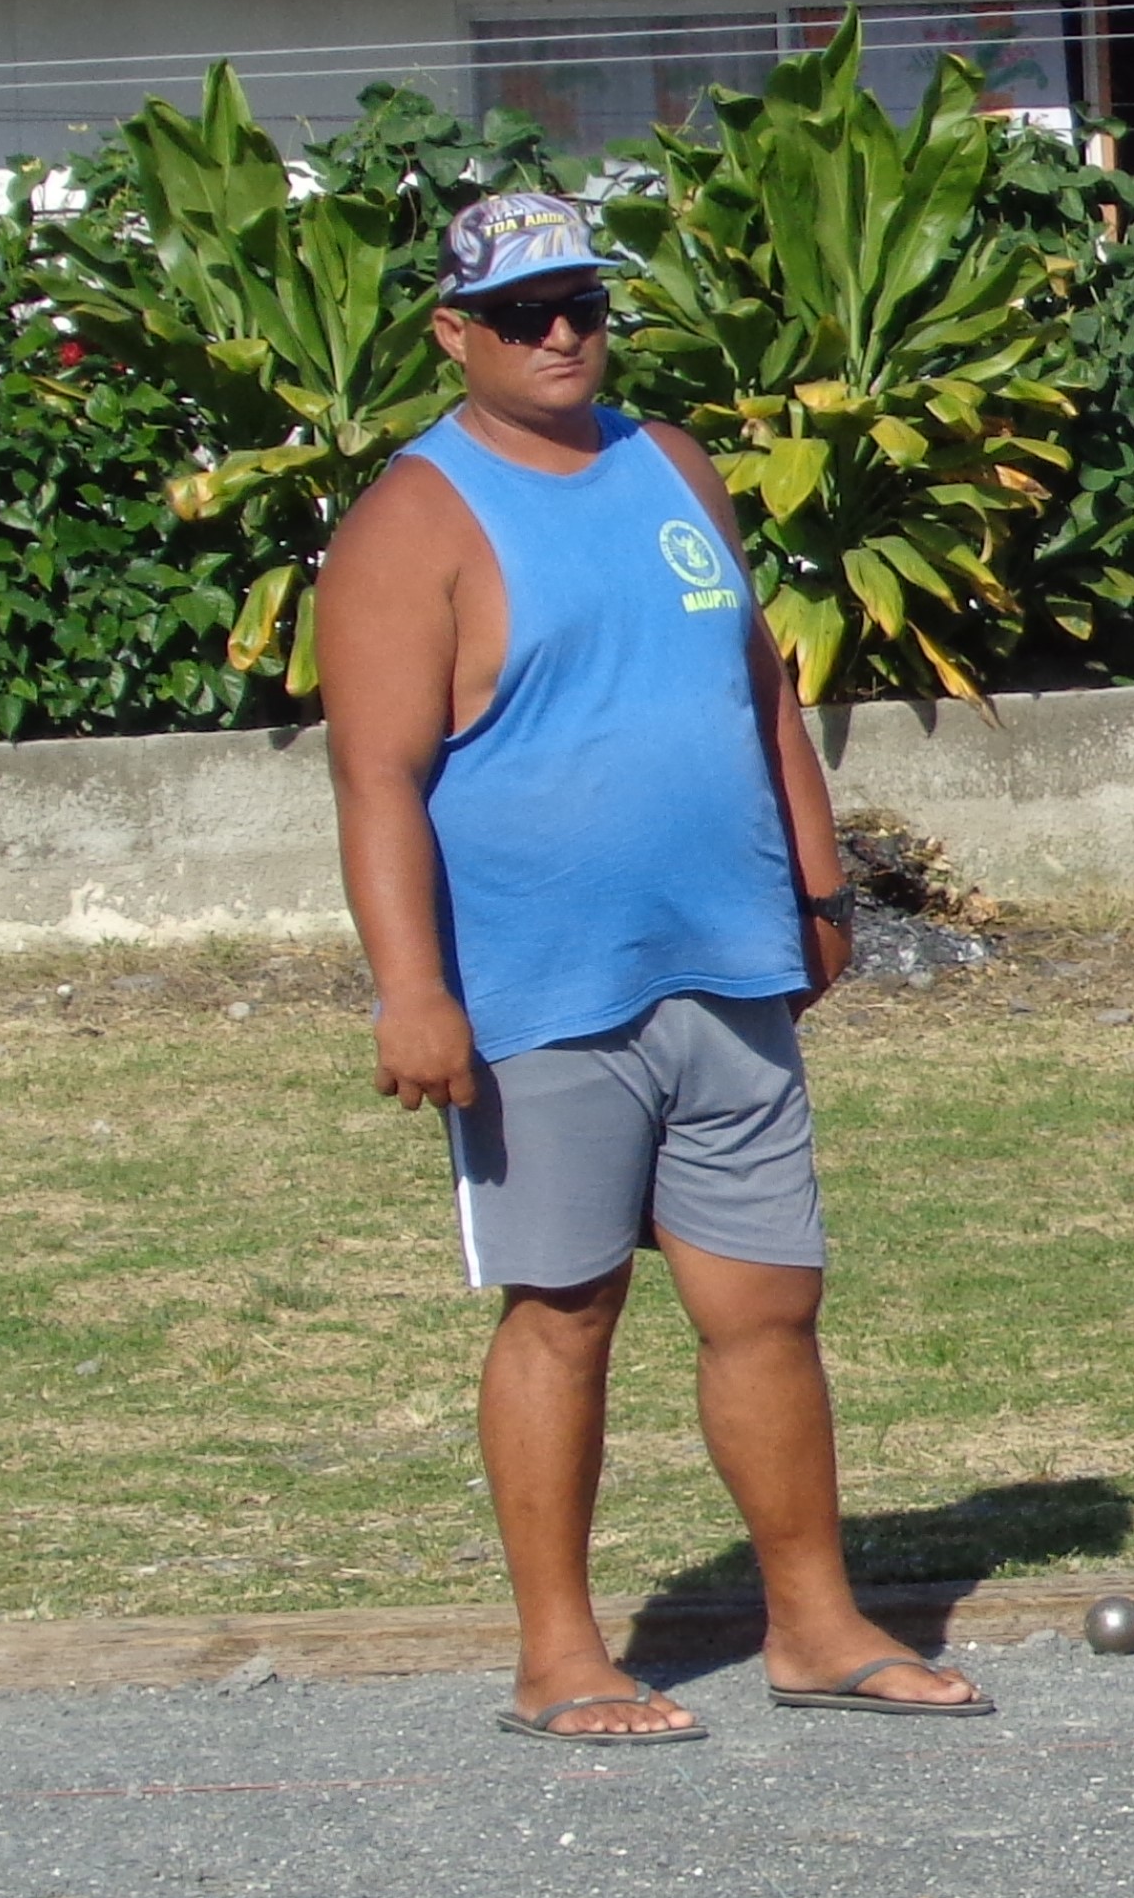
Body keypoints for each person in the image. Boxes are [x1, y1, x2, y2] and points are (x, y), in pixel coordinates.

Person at [321, 191, 981, 1745]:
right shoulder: (411, 520)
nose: (560, 335)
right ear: (453, 331)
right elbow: (374, 780)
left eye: (582, 307)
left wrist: (819, 886)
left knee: (770, 1303)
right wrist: (411, 990)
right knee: (564, 1307)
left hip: (727, 966)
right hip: (541, 991)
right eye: (520, 313)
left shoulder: (670, 465)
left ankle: (813, 1623)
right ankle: (560, 1654)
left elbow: (761, 689)